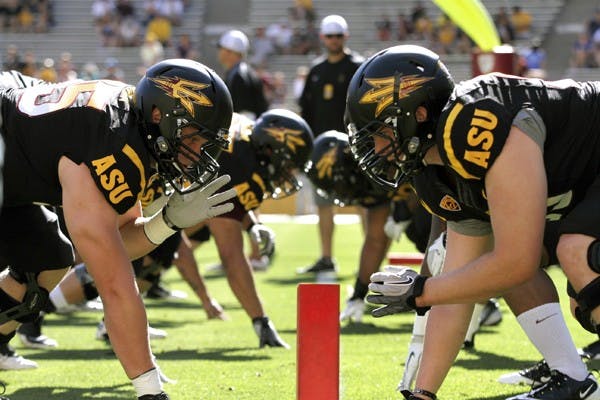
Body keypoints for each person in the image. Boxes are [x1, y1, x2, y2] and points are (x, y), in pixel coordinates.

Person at [345, 44, 600, 399]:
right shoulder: (434, 173)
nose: (372, 144)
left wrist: (420, 291)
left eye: (378, 130)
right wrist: (424, 393)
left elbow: (517, 262)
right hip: (581, 188)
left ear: (416, 114)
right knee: (490, 267)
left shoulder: (474, 119)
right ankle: (573, 380)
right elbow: (460, 288)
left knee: (582, 254)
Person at [0, 59, 237, 400]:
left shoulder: (128, 132)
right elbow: (115, 287)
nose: (198, 152)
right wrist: (150, 391)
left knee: (47, 259)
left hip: (13, 158)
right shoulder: (108, 140)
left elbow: (119, 243)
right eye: (196, 137)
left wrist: (166, 222)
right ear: (160, 115)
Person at [182, 108, 314, 348]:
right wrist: (260, 319)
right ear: (271, 150)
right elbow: (231, 255)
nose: (289, 174)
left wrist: (252, 224)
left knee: (169, 243)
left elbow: (234, 207)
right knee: (157, 250)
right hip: (157, 195)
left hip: (177, 193)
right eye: (288, 165)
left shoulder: (246, 138)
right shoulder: (239, 163)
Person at [305, 130, 429, 323]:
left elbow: (428, 175)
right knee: (418, 233)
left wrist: (407, 205)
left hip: (450, 200)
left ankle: (472, 299)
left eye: (337, 186)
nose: (340, 194)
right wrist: (358, 293)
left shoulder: (387, 153)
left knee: (426, 228)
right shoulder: (367, 181)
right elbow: (375, 241)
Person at [297, 14, 363, 275]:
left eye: (338, 35)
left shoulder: (358, 67)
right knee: (323, 204)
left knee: (363, 202)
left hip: (353, 147)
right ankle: (326, 257)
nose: (334, 40)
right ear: (322, 38)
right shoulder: (316, 71)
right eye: (329, 36)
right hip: (322, 149)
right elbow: (306, 112)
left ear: (345, 37)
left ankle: (369, 260)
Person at [216, 29, 269, 120]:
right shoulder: (238, 72)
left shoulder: (239, 76)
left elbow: (245, 115)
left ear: (229, 51)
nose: (219, 52)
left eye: (221, 48)